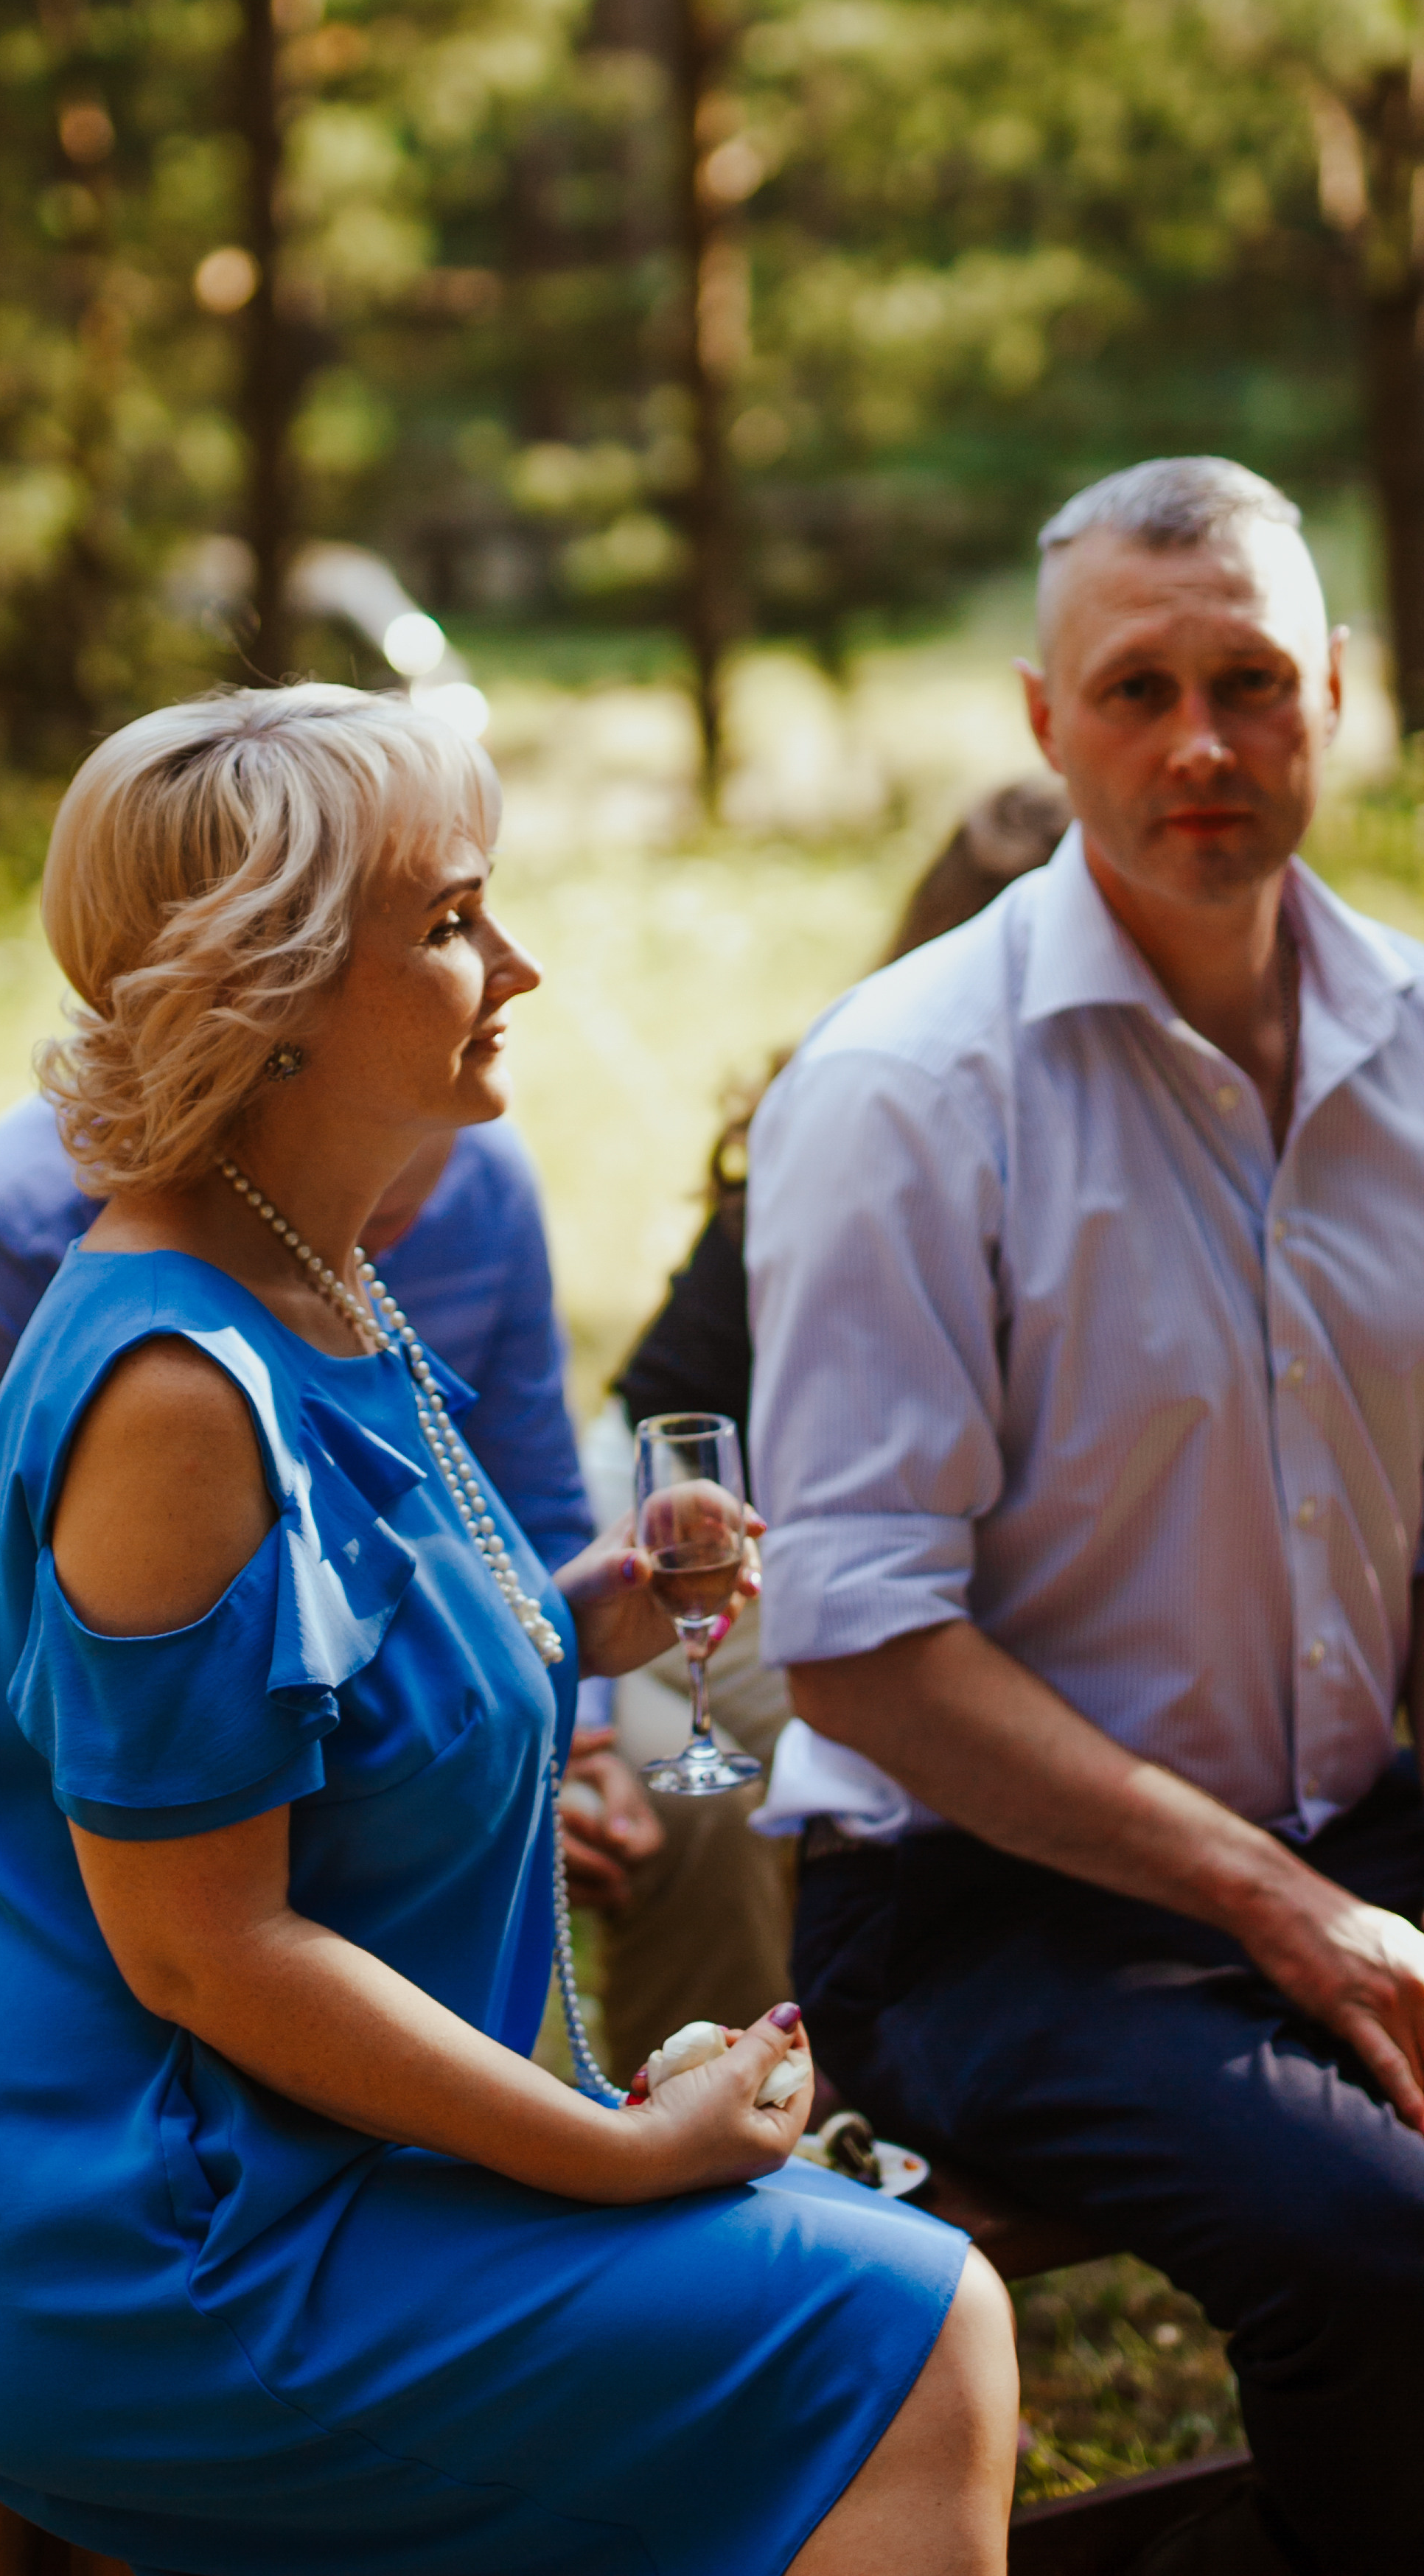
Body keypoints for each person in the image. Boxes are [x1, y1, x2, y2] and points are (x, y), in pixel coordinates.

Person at [0, 684, 1016, 2576]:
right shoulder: (176, 1386)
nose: (518, 960)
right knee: (912, 2324)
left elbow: (350, 1669)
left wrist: (597, 1608)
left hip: (361, 2177)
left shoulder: (319, 1274)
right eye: (445, 922)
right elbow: (206, 1952)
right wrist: (615, 2155)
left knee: (894, 2301)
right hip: (185, 2254)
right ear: (264, 997)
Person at [748, 457, 1424, 2576]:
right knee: (1380, 2246)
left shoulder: (1416, 1042)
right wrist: (1276, 1910)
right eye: (1137, 690)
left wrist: (1318, 1893)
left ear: (1341, 691)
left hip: (1346, 1825)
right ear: (1044, 726)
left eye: (1248, 680)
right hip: (980, 1908)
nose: (1200, 742)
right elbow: (856, 1637)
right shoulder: (900, 1089)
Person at [592, 775, 1068, 2081]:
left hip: (861, 1534)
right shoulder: (864, 1107)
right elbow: (690, 1441)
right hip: (705, 1520)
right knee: (891, 1727)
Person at [0, 1099, 614, 1874]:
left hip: (379, 1667)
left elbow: (539, 1503)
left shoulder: (488, 1175)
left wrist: (570, 1736)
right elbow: (10, 1601)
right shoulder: (26, 1214)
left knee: (690, 1825)